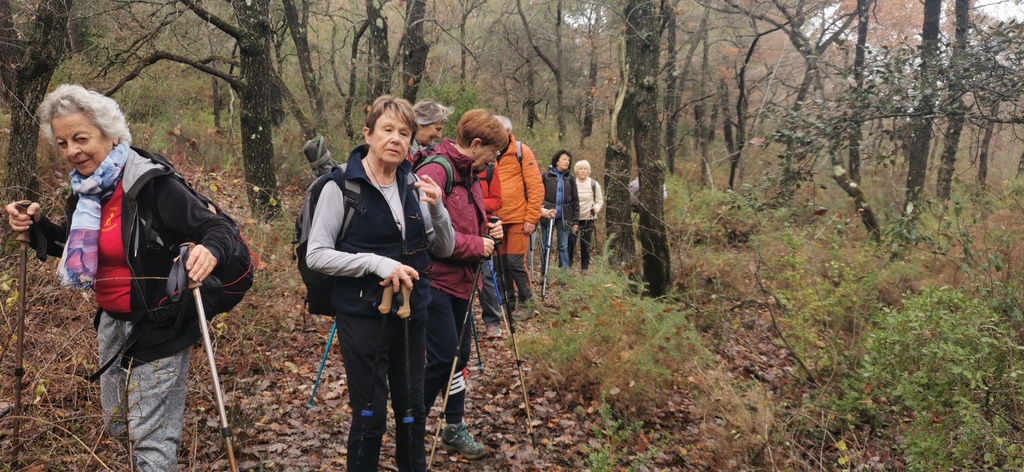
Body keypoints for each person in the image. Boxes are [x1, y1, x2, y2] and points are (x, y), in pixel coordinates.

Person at [5, 84, 237, 470]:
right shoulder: (86, 192)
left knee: (150, 438)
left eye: (81, 138)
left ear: (111, 134)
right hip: (112, 323)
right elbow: (87, 247)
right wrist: (37, 227)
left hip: (161, 323)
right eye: (62, 142)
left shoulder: (152, 185)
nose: (72, 151)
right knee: (118, 425)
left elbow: (219, 228)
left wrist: (208, 251)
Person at [306, 95, 455, 472]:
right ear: (368, 134)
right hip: (363, 315)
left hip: (412, 311)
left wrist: (437, 208)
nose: (396, 139)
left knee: (412, 412)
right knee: (370, 415)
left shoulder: (412, 183)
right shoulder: (341, 187)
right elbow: (317, 254)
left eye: (404, 133)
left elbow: (444, 246)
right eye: (387, 130)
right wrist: (375, 263)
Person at [415, 109, 507, 461]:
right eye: (493, 152)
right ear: (477, 144)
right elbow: (430, 235)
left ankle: (453, 426)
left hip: (463, 282)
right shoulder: (436, 171)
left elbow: (468, 222)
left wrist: (489, 230)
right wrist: (475, 245)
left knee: (459, 357)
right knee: (441, 358)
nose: (494, 160)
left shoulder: (472, 172)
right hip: (434, 280)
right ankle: (413, 420)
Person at [491, 116, 545, 321]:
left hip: (518, 219)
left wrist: (532, 217)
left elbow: (535, 186)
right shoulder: (488, 153)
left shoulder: (521, 151)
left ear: (507, 131)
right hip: (495, 220)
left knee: (515, 262)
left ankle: (527, 302)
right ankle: (507, 304)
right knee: (501, 265)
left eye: (498, 130)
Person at [477, 160, 504, 338]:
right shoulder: (452, 166)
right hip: (459, 228)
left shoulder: (490, 168)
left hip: (484, 227)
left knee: (486, 275)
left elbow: (497, 201)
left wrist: (474, 202)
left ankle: (493, 322)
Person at [540, 150, 579, 272]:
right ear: (557, 161)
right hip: (547, 214)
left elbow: (575, 199)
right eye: (564, 159)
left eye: (568, 160)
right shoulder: (546, 175)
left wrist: (575, 221)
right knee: (546, 244)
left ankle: (564, 274)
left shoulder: (570, 177)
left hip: (565, 215)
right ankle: (544, 272)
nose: (567, 162)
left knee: (563, 245)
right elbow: (538, 194)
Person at [569, 159, 603, 272]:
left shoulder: (593, 184)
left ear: (589, 171)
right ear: (576, 171)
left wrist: (596, 208)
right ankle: (567, 267)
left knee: (585, 244)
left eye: (585, 169)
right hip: (573, 219)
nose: (583, 171)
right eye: (580, 168)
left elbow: (599, 201)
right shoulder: (572, 183)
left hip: (588, 218)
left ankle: (584, 268)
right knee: (570, 243)